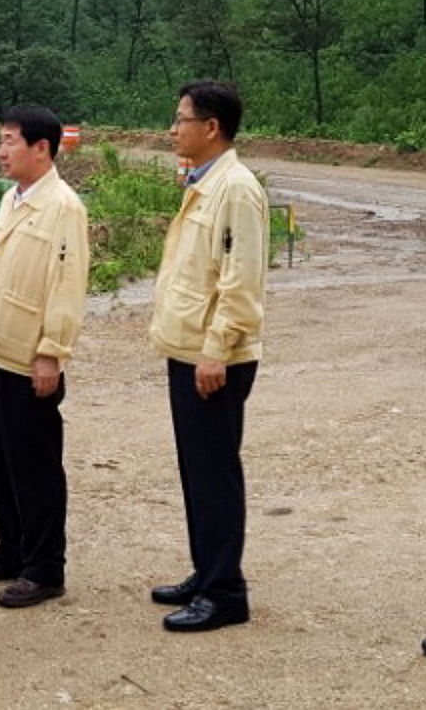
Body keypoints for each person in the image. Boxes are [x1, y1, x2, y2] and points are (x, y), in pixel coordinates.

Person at [149, 80, 268, 632]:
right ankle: (207, 570)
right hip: (189, 348)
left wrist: (217, 349)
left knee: (215, 471)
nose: (174, 130)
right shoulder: (204, 182)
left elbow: (241, 283)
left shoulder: (237, 189)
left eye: (181, 120)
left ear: (211, 127)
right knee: (197, 471)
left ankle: (225, 592)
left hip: (214, 355)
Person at [0, 105, 89, 609]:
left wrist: (51, 353)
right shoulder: (11, 198)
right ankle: (12, 547)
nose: (0, 151)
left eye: (8, 140)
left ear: (41, 148)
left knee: (36, 467)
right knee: (1, 459)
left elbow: (67, 287)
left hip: (29, 358)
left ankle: (45, 567)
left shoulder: (63, 207)